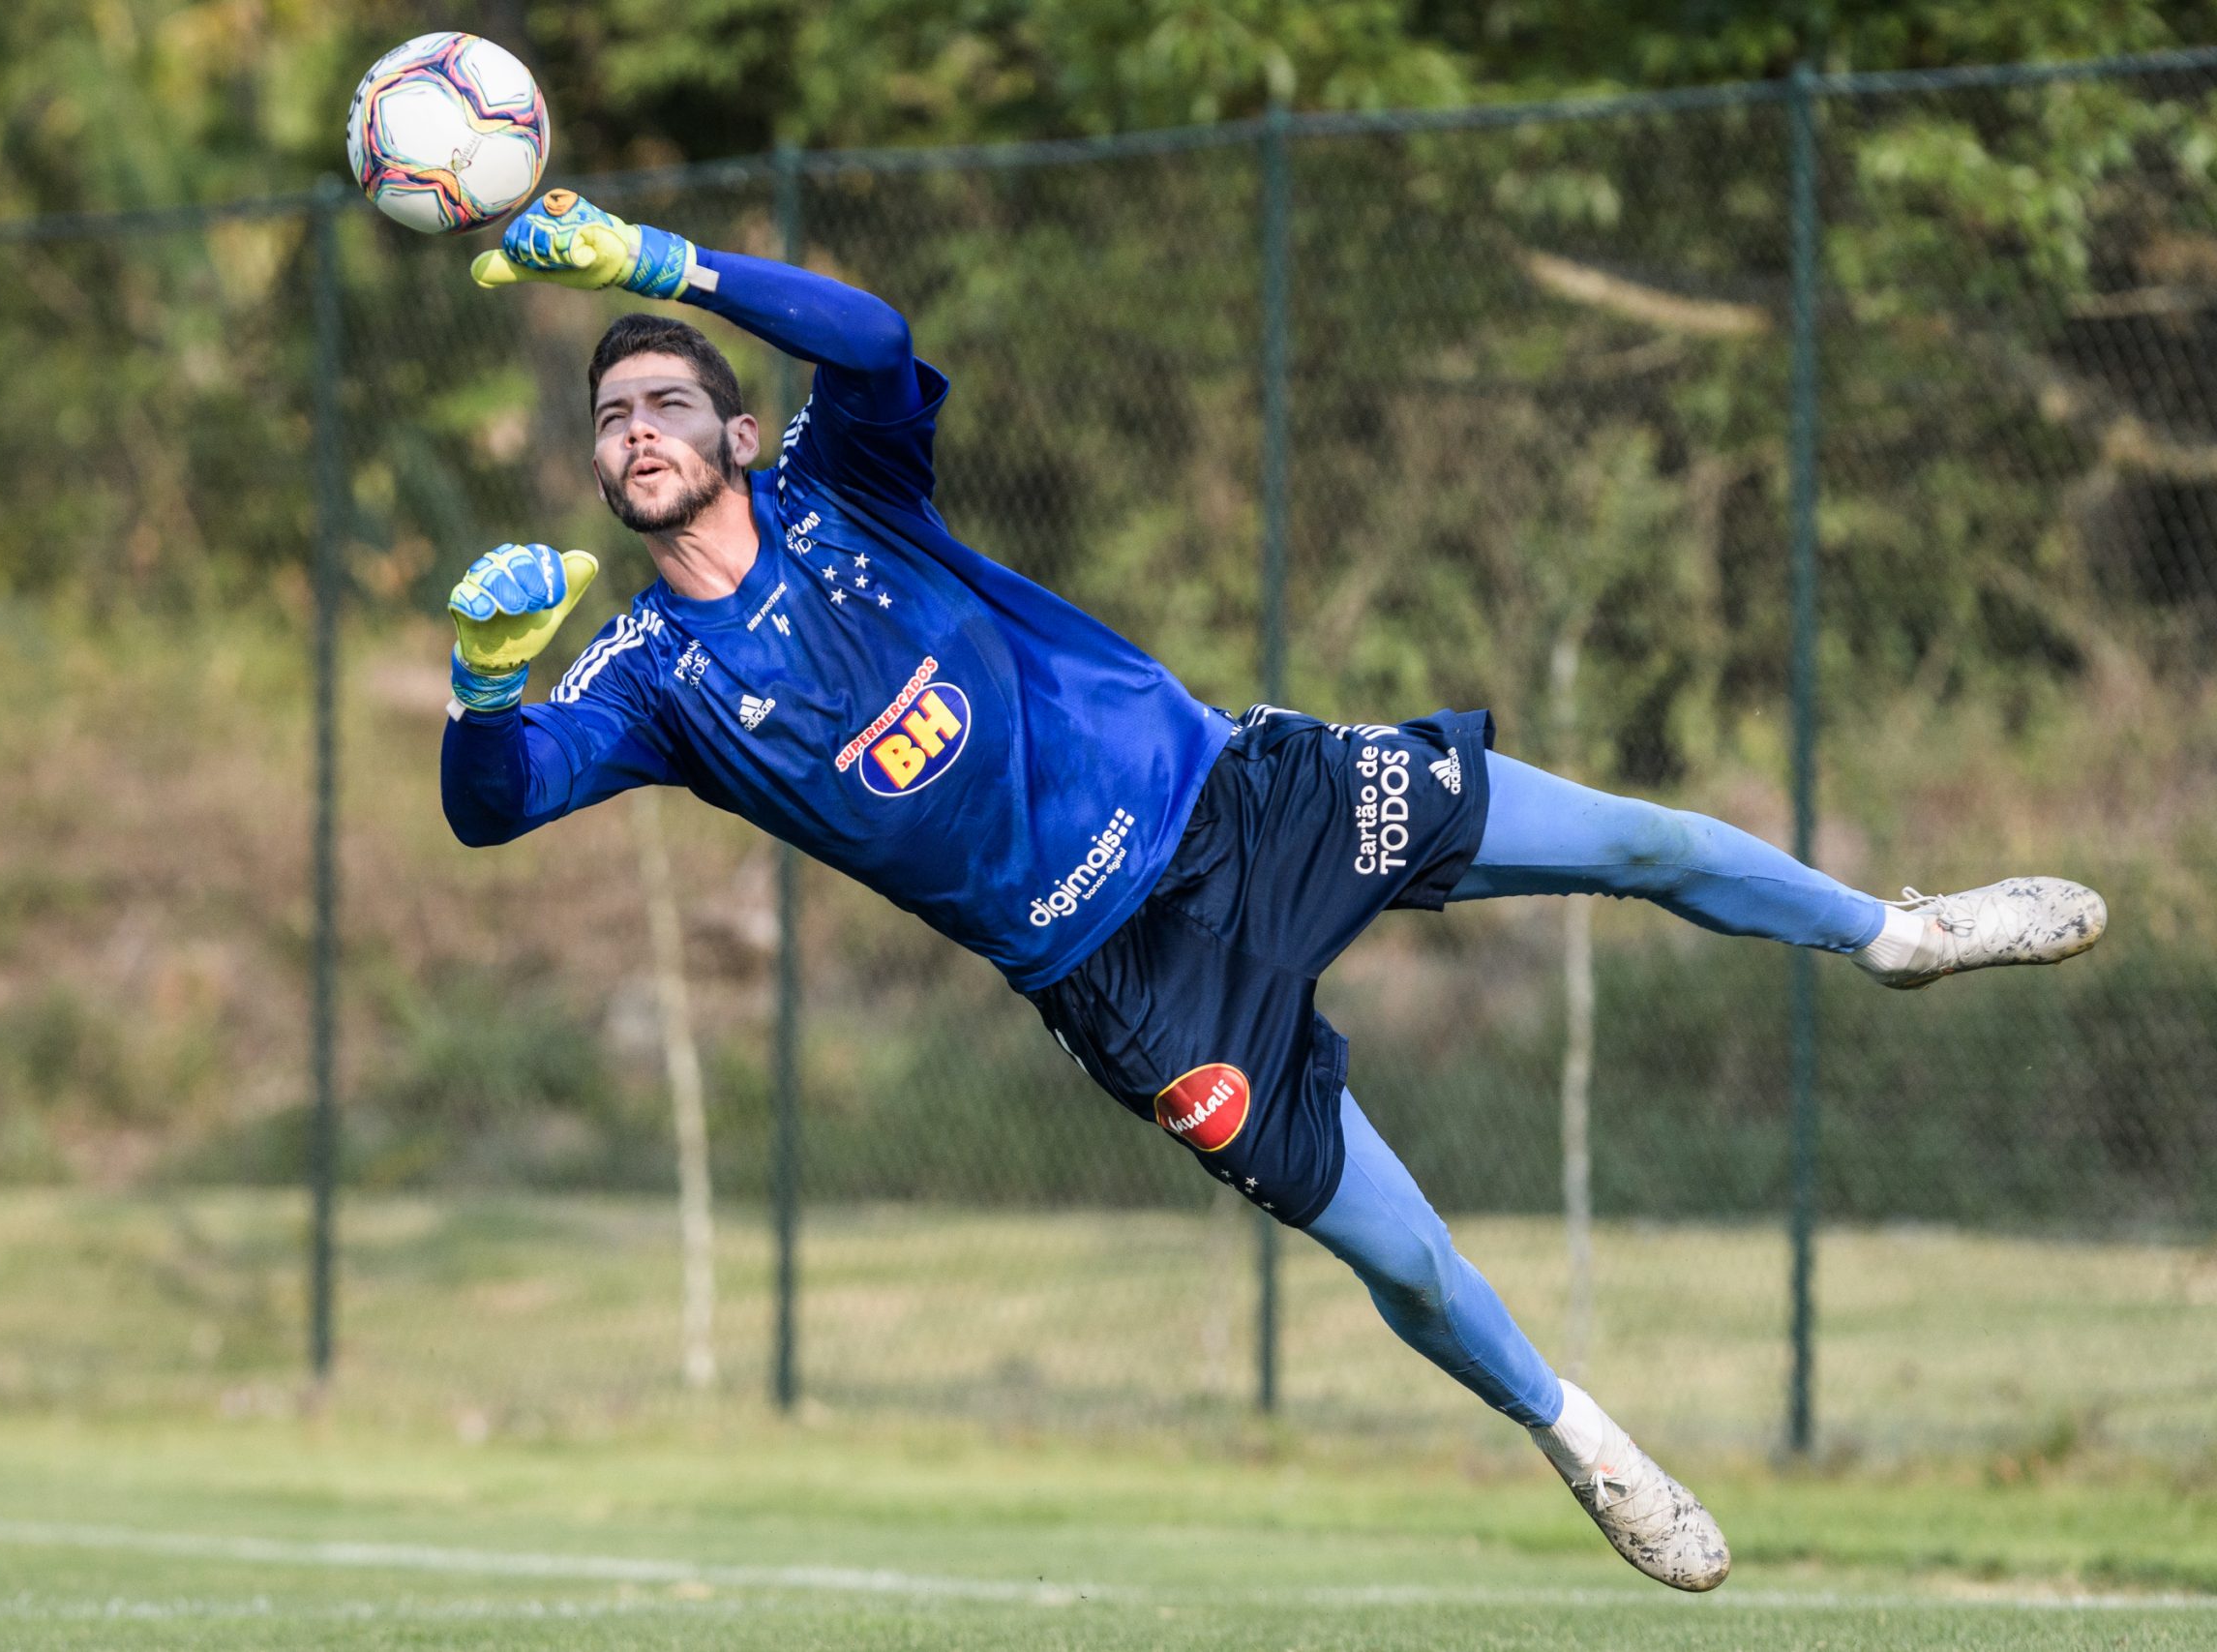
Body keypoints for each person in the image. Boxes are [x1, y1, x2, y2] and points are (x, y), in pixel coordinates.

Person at [441, 189, 2109, 1592]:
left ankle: (1900, 936)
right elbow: (493, 807)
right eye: (607, 418)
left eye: (664, 404)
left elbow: (871, 335)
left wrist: (651, 266)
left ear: (735, 433)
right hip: (1131, 986)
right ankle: (1580, 1441)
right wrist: (482, 678)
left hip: (1249, 799)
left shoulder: (845, 490)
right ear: (595, 471)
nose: (634, 430)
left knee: (1634, 839)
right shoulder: (652, 679)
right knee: (1409, 1264)